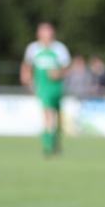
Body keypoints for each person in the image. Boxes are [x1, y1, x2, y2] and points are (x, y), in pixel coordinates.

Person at [20, 22, 71, 156]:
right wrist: (27, 78)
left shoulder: (60, 48)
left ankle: (56, 142)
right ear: (39, 34)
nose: (46, 35)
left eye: (48, 32)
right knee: (47, 113)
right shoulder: (33, 49)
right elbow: (26, 66)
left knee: (57, 116)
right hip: (43, 87)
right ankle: (47, 145)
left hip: (57, 87)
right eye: (43, 32)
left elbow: (66, 68)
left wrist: (58, 73)